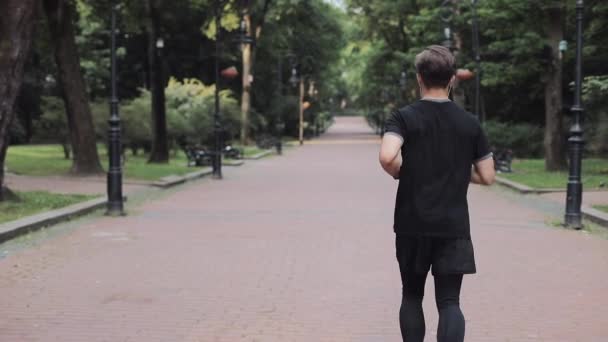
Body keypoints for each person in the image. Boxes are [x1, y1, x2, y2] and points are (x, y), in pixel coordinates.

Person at [379, 45, 495, 342]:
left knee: (412, 295)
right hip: (453, 225)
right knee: (449, 302)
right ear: (452, 79)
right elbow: (488, 176)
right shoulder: (469, 123)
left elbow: (387, 156)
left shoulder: (403, 117)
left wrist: (405, 170)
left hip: (412, 222)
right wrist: (456, 169)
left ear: (419, 78)